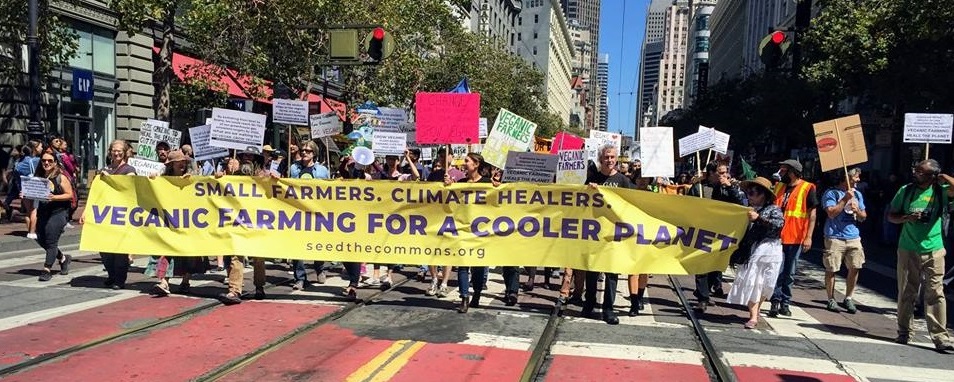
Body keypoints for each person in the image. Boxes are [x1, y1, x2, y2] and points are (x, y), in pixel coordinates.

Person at [887, 159, 954, 351]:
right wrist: (906, 218)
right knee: (907, 291)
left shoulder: (941, 191)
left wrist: (945, 177)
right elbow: (891, 216)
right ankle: (904, 331)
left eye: (921, 172)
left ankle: (940, 337)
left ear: (933, 176)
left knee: (935, 292)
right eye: (915, 170)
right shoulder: (906, 191)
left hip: (934, 249)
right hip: (908, 248)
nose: (916, 174)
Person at [582, 144, 635, 325]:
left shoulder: (623, 180)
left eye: (612, 157)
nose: (610, 160)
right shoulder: (593, 178)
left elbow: (635, 201)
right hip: (594, 232)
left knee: (612, 272)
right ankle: (589, 303)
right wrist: (588, 189)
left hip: (614, 233)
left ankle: (609, 309)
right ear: (601, 159)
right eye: (606, 157)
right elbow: (579, 201)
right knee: (592, 270)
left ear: (616, 158)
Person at [146, 150, 209, 295]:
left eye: (183, 162)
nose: (181, 164)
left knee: (188, 254)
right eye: (178, 162)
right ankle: (164, 282)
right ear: (171, 164)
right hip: (169, 222)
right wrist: (153, 180)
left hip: (189, 222)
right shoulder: (163, 179)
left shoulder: (192, 176)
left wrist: (191, 181)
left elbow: (203, 191)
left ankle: (186, 281)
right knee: (166, 252)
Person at [727, 177, 785, 329]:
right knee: (753, 282)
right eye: (748, 193)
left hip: (772, 250)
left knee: (768, 284)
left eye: (753, 193)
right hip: (754, 251)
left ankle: (757, 309)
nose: (749, 196)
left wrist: (759, 219)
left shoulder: (774, 209)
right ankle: (753, 316)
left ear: (763, 195)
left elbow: (778, 226)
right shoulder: (746, 209)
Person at [689, 161, 745, 313]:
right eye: (720, 173)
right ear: (710, 173)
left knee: (716, 267)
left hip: (723, 233)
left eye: (725, 172)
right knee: (702, 265)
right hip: (703, 231)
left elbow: (741, 204)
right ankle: (702, 298)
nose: (724, 175)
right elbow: (687, 207)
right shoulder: (699, 188)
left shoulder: (728, 188)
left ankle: (705, 292)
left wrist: (730, 187)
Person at [444, 153, 494, 313]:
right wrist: (449, 186)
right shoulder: (462, 183)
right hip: (463, 230)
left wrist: (498, 186)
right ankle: (464, 297)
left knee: (478, 267)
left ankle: (477, 294)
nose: (464, 164)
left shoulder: (487, 183)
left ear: (476, 164)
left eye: (467, 161)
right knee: (463, 265)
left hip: (481, 232)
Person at [83, 140, 137, 289]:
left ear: (125, 152)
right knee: (104, 247)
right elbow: (94, 192)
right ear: (110, 152)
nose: (117, 152)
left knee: (119, 249)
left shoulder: (129, 169)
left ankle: (120, 279)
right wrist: (87, 210)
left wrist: (110, 179)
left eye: (120, 150)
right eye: (114, 150)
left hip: (121, 214)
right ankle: (111, 275)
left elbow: (129, 187)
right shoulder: (103, 169)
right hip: (104, 214)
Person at [769, 159, 818, 317]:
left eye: (784, 171)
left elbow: (812, 215)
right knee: (778, 269)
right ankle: (775, 301)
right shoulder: (778, 187)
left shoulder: (807, 188)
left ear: (792, 172)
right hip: (777, 236)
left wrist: (809, 237)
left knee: (789, 272)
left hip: (796, 237)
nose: (781, 173)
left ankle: (785, 302)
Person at [822, 168, 867, 313]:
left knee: (856, 266)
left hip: (853, 236)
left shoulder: (858, 194)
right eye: (856, 177)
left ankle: (848, 298)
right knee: (832, 268)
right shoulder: (831, 193)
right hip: (834, 236)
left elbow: (863, 217)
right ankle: (831, 298)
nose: (858, 180)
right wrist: (844, 199)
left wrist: (857, 211)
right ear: (846, 177)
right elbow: (831, 213)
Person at [289, 140, 331, 290]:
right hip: (298, 213)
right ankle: (300, 278)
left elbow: (329, 191)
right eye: (303, 150)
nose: (304, 152)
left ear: (314, 153)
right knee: (296, 247)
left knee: (317, 244)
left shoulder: (322, 170)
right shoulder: (294, 168)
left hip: (316, 213)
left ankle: (320, 268)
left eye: (308, 150)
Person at [29, 151, 74, 281]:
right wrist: (25, 194)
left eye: (50, 161)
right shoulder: (38, 176)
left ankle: (46, 269)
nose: (46, 163)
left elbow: (69, 194)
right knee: (40, 238)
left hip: (58, 212)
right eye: (44, 160)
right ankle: (63, 258)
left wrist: (54, 197)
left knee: (51, 240)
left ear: (55, 162)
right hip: (43, 212)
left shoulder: (61, 177)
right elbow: (33, 195)